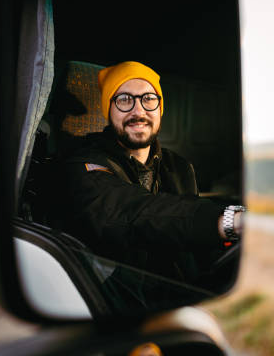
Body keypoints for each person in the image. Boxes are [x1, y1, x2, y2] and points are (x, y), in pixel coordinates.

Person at [49, 61, 244, 292]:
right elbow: (128, 210)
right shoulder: (82, 162)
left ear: (160, 108)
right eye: (123, 100)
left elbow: (194, 251)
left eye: (148, 99)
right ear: (107, 110)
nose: (138, 111)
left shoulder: (180, 167)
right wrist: (227, 221)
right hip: (115, 297)